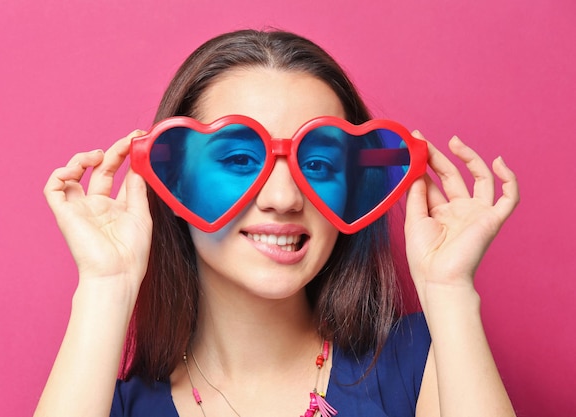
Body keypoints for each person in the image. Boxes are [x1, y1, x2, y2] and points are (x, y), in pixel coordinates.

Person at [35, 30, 519, 417]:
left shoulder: (419, 363)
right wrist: (107, 283)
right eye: (242, 158)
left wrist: (450, 288)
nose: (285, 198)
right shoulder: (114, 406)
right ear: (175, 182)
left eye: (318, 165)